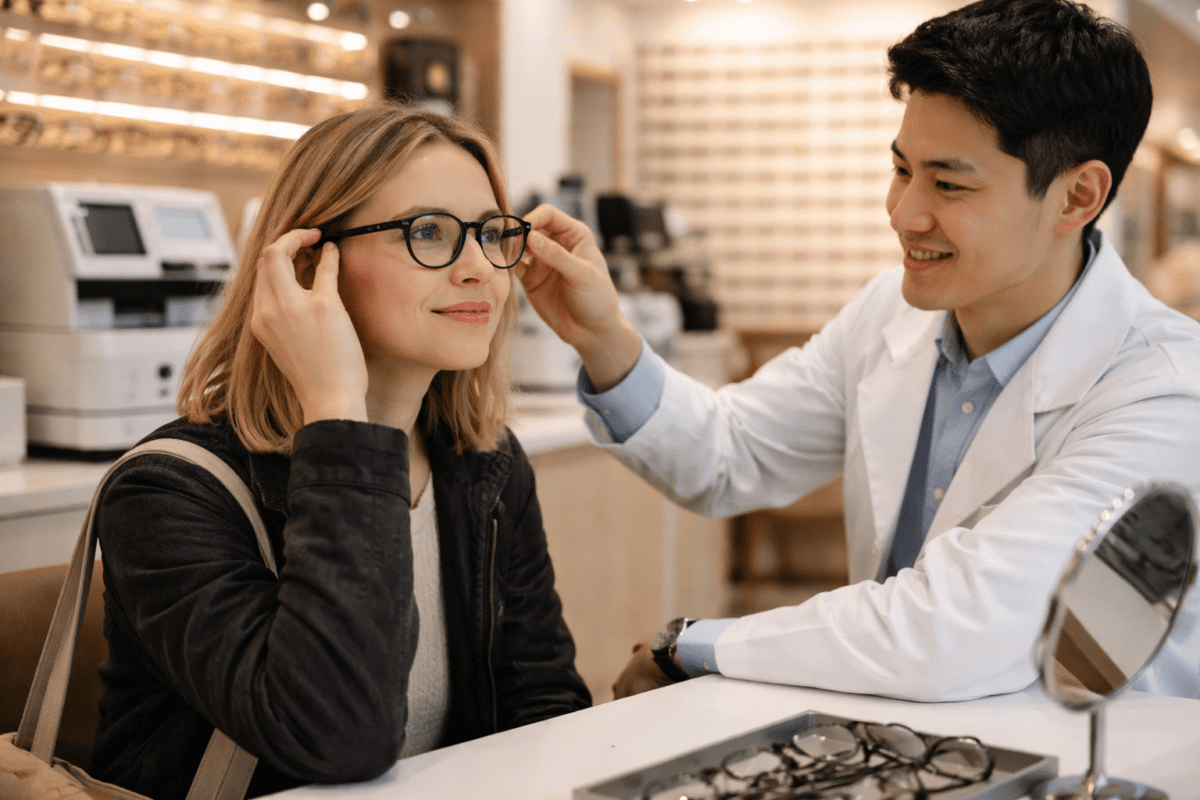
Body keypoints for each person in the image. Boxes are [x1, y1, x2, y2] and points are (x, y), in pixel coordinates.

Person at [517, 0, 1200, 703]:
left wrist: (695, 647)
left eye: (949, 183)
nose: (903, 213)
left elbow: (956, 628)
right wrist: (603, 337)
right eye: (902, 169)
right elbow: (730, 450)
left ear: (1076, 196)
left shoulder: (1166, 389)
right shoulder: (890, 315)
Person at [91, 104, 591, 800]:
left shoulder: (486, 464)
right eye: (428, 233)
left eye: (489, 234)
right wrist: (339, 414)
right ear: (307, 265)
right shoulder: (169, 491)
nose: (481, 269)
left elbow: (542, 705)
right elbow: (338, 740)